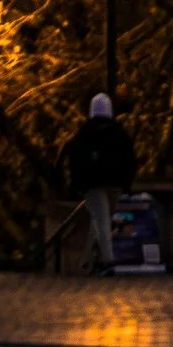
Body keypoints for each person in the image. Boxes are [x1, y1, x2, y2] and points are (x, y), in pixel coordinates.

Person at [65, 91, 139, 266]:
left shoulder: (85, 132)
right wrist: (127, 182)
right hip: (115, 182)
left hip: (92, 184)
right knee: (103, 219)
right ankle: (98, 259)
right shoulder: (118, 132)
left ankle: (102, 260)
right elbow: (129, 158)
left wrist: (76, 183)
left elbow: (75, 158)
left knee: (100, 220)